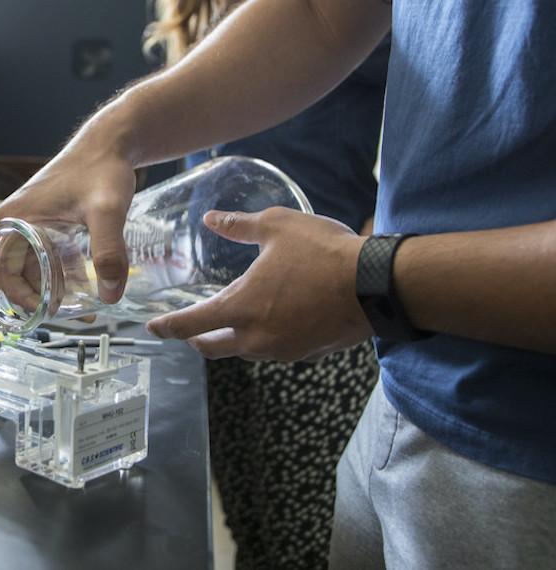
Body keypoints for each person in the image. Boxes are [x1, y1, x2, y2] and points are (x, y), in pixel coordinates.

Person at [0, 1, 556, 567]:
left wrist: (370, 275)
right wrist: (111, 136)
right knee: (260, 538)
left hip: (519, 447)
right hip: (400, 389)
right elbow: (319, 14)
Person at [143, 3, 388, 567]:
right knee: (247, 522)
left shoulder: (330, 18)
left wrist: (372, 258)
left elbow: (424, 122)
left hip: (318, 313)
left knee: (303, 540)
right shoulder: (196, 18)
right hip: (222, 311)